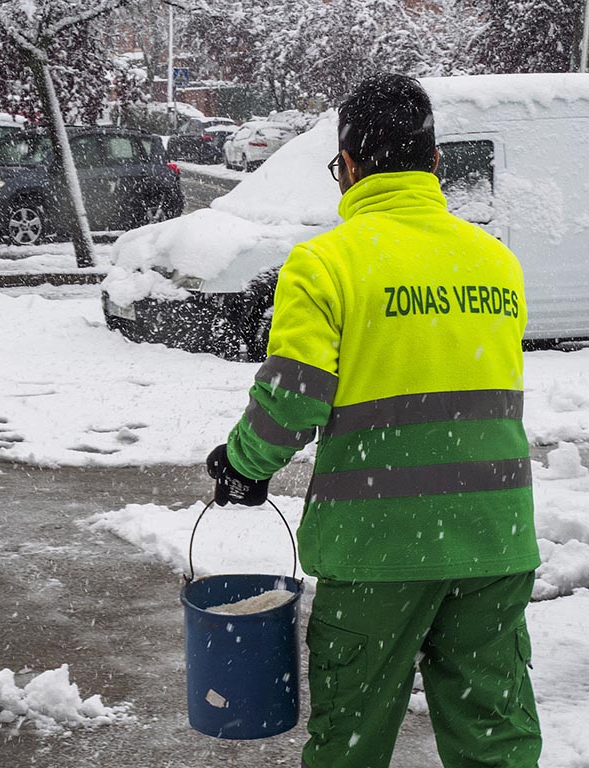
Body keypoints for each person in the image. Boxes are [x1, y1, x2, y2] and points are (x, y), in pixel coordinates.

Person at [206, 73, 542, 768]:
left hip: (378, 548)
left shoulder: (325, 265)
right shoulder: (495, 262)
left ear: (350, 165)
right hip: (494, 542)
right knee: (494, 735)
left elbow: (294, 402)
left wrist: (241, 465)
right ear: (436, 162)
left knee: (351, 742)